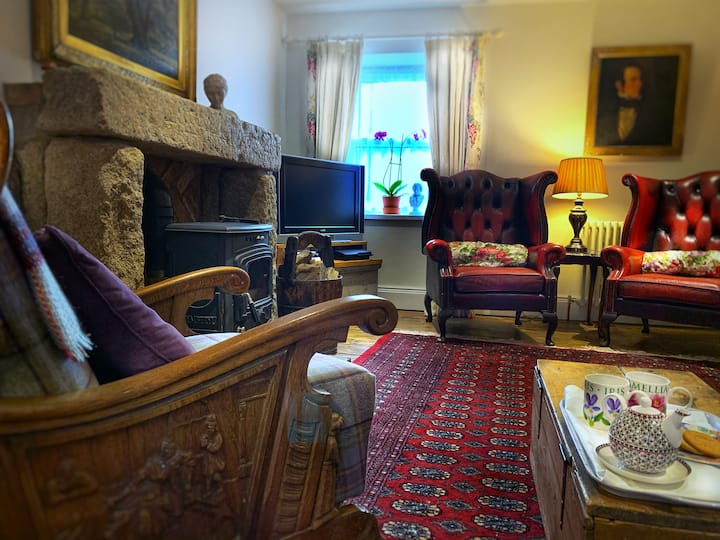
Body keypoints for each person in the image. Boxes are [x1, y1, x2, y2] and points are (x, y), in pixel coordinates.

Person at [594, 63, 673, 147]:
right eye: (633, 80)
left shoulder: (654, 112)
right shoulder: (603, 111)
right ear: (619, 85)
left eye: (640, 79)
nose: (639, 83)